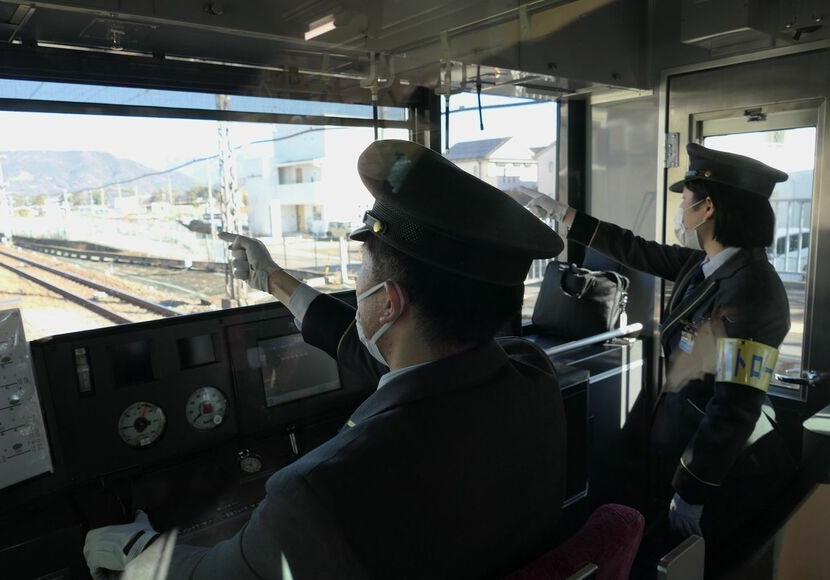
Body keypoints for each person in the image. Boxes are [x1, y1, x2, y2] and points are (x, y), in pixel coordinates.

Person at [83, 140, 567, 579]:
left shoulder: (318, 491)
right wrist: (274, 279)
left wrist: (136, 549)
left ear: (388, 303)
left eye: (362, 268)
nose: (357, 280)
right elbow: (396, 358)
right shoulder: (529, 370)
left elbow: (204, 576)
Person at [529, 143, 796, 577]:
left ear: (707, 208)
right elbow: (638, 250)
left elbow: (735, 406)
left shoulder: (753, 291)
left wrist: (694, 489)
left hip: (721, 474)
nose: (682, 211)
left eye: (685, 200)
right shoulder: (707, 265)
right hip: (681, 445)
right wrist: (565, 216)